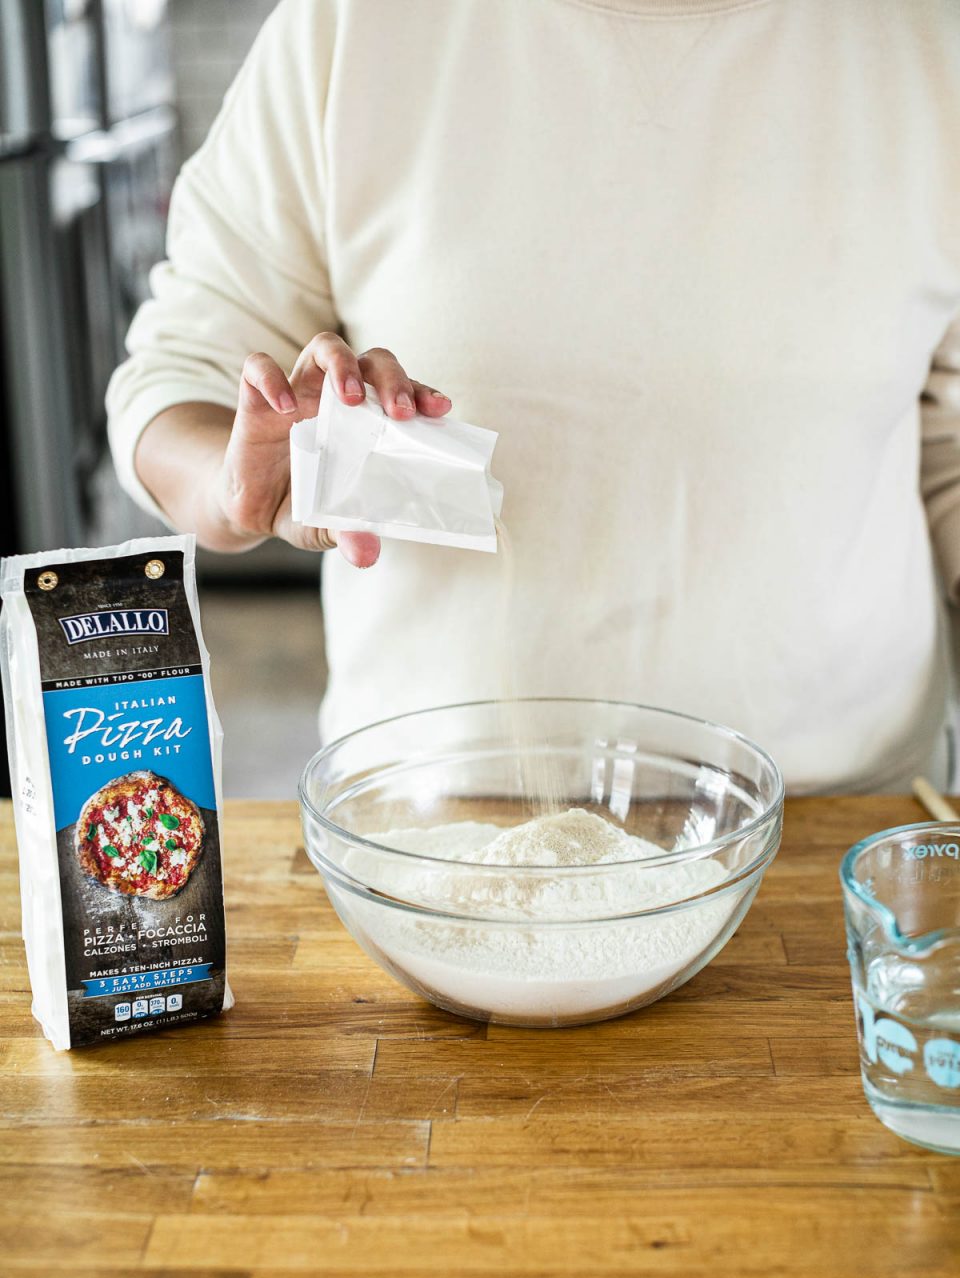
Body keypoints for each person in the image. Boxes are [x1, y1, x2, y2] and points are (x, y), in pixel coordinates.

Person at [107, 0, 960, 793]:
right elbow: (171, 385)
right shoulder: (357, 25)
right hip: (439, 824)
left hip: (842, 823)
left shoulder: (927, 39)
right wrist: (240, 478)